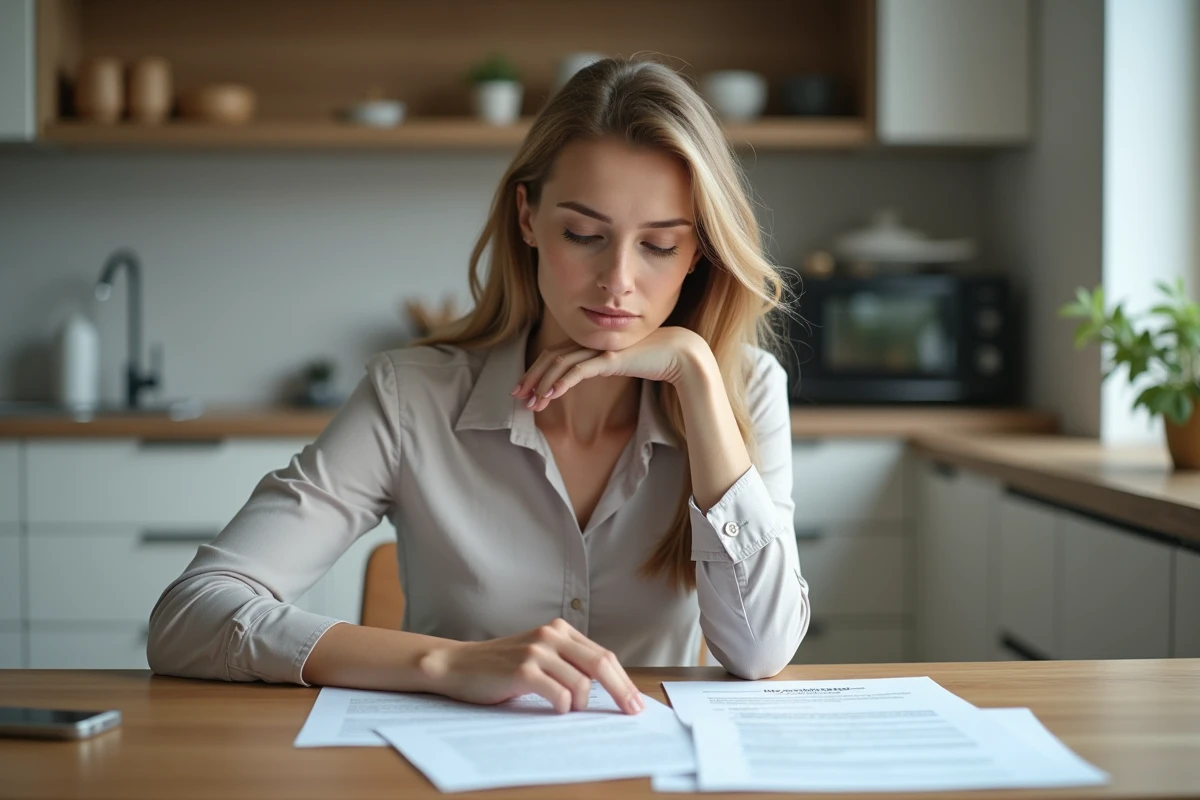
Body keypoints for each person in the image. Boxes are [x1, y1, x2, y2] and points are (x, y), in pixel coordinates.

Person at [147, 57, 810, 717]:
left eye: (659, 246)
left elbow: (760, 651)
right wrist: (446, 663)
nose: (618, 280)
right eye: (584, 234)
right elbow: (191, 614)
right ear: (528, 217)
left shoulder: (741, 389)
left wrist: (693, 370)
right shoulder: (411, 397)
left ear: (699, 252)